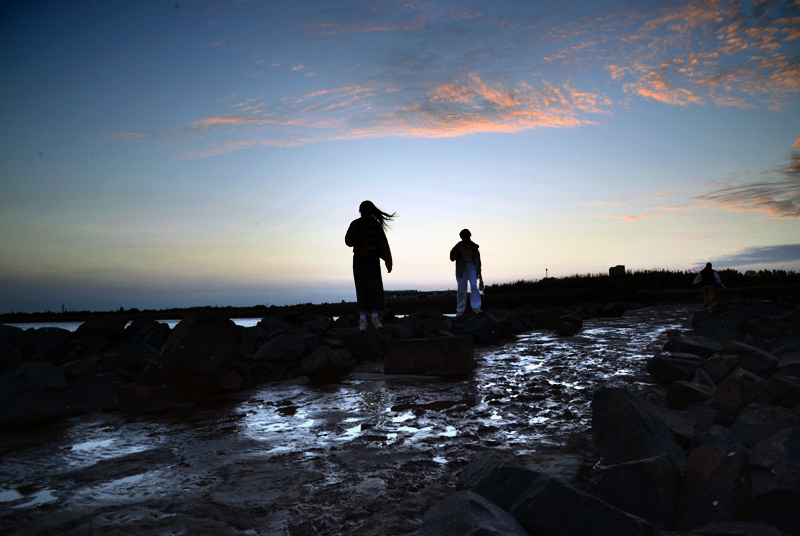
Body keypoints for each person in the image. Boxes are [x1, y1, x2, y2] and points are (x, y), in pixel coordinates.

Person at [345, 201, 395, 332]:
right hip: (359, 259)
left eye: (366, 212)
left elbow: (383, 244)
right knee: (361, 288)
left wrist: (388, 261)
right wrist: (357, 235)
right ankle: (362, 320)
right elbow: (348, 241)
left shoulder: (376, 225)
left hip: (373, 260)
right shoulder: (355, 224)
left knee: (375, 289)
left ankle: (374, 318)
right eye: (362, 212)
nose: (364, 214)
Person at [450, 229, 482, 316]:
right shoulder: (458, 246)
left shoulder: (474, 247)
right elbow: (452, 258)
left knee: (474, 286)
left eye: (466, 236)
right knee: (461, 289)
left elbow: (478, 260)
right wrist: (455, 249)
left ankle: (476, 307)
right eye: (463, 237)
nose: (465, 238)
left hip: (472, 266)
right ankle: (460, 310)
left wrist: (479, 272)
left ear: (469, 236)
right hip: (461, 268)